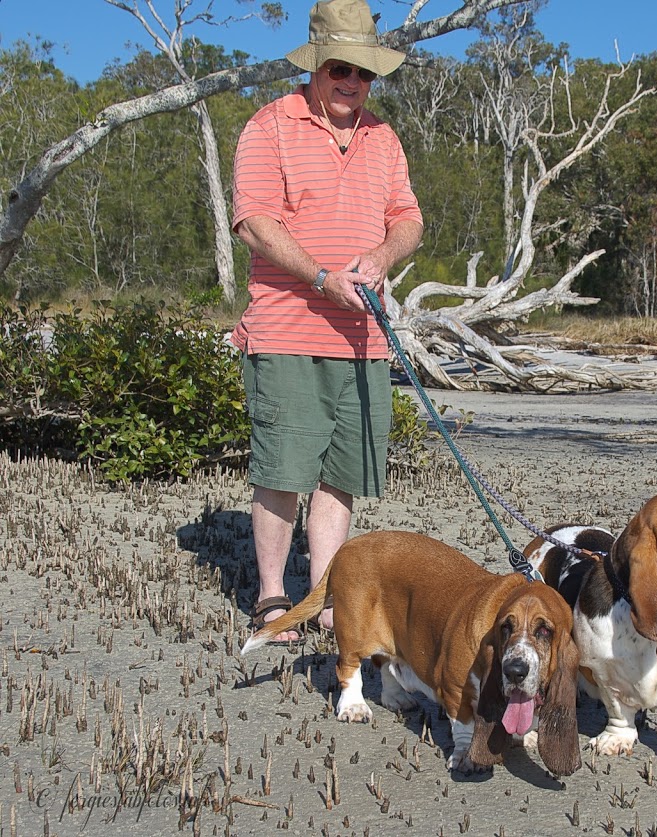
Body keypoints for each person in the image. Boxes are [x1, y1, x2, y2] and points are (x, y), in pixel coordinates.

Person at [231, 0, 423, 642]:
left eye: (364, 73)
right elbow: (255, 222)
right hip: (288, 330)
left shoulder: (384, 138)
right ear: (315, 66)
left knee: (342, 476)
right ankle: (272, 597)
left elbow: (409, 219)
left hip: (365, 341)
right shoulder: (269, 126)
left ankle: (328, 596)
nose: (352, 82)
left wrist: (382, 254)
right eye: (341, 68)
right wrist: (321, 276)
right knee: (283, 470)